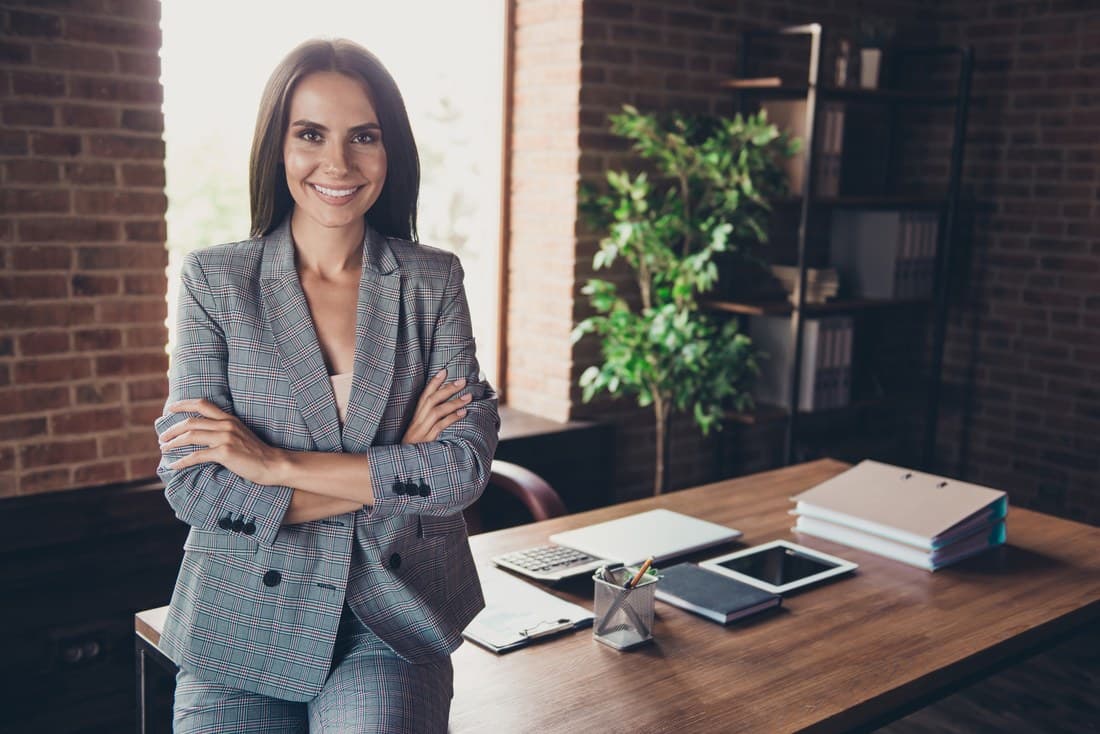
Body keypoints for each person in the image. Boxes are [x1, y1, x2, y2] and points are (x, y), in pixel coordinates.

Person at [154, 38, 499, 733]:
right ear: (278, 148)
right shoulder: (215, 282)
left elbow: (460, 469)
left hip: (393, 614)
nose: (337, 164)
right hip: (239, 618)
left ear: (389, 148)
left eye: (362, 137)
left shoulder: (433, 281)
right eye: (311, 134)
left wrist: (273, 464)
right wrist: (394, 463)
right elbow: (194, 485)